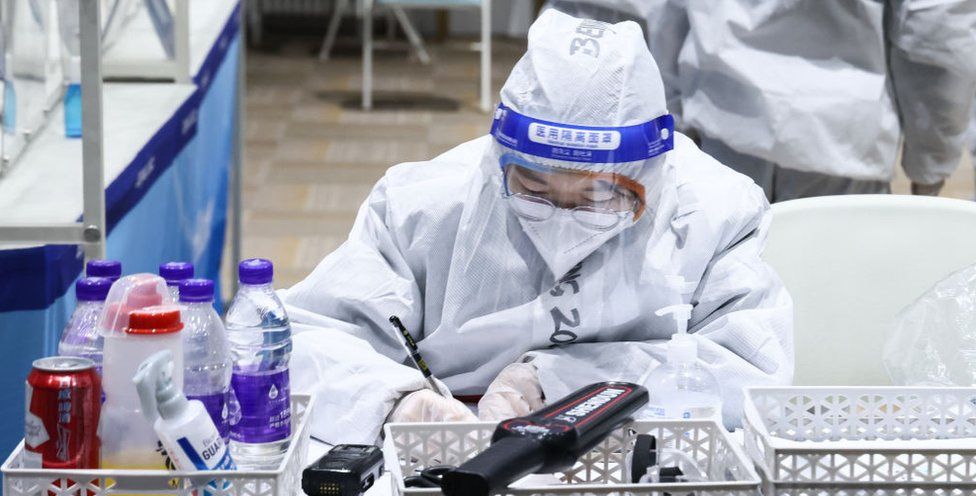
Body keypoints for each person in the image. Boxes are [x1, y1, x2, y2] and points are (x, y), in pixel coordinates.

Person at [282, 9, 794, 445]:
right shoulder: (426, 205)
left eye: (599, 194)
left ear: (652, 174)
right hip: (450, 450)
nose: (562, 222)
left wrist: (558, 382)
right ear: (499, 159)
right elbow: (308, 339)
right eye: (535, 188)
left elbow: (751, 366)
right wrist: (403, 403)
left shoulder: (714, 210)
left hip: (628, 446)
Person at [643, 0, 976, 202]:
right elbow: (935, 33)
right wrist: (931, 162)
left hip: (718, 125)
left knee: (721, 309)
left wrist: (671, 111)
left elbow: (668, 13)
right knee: (834, 306)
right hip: (836, 142)